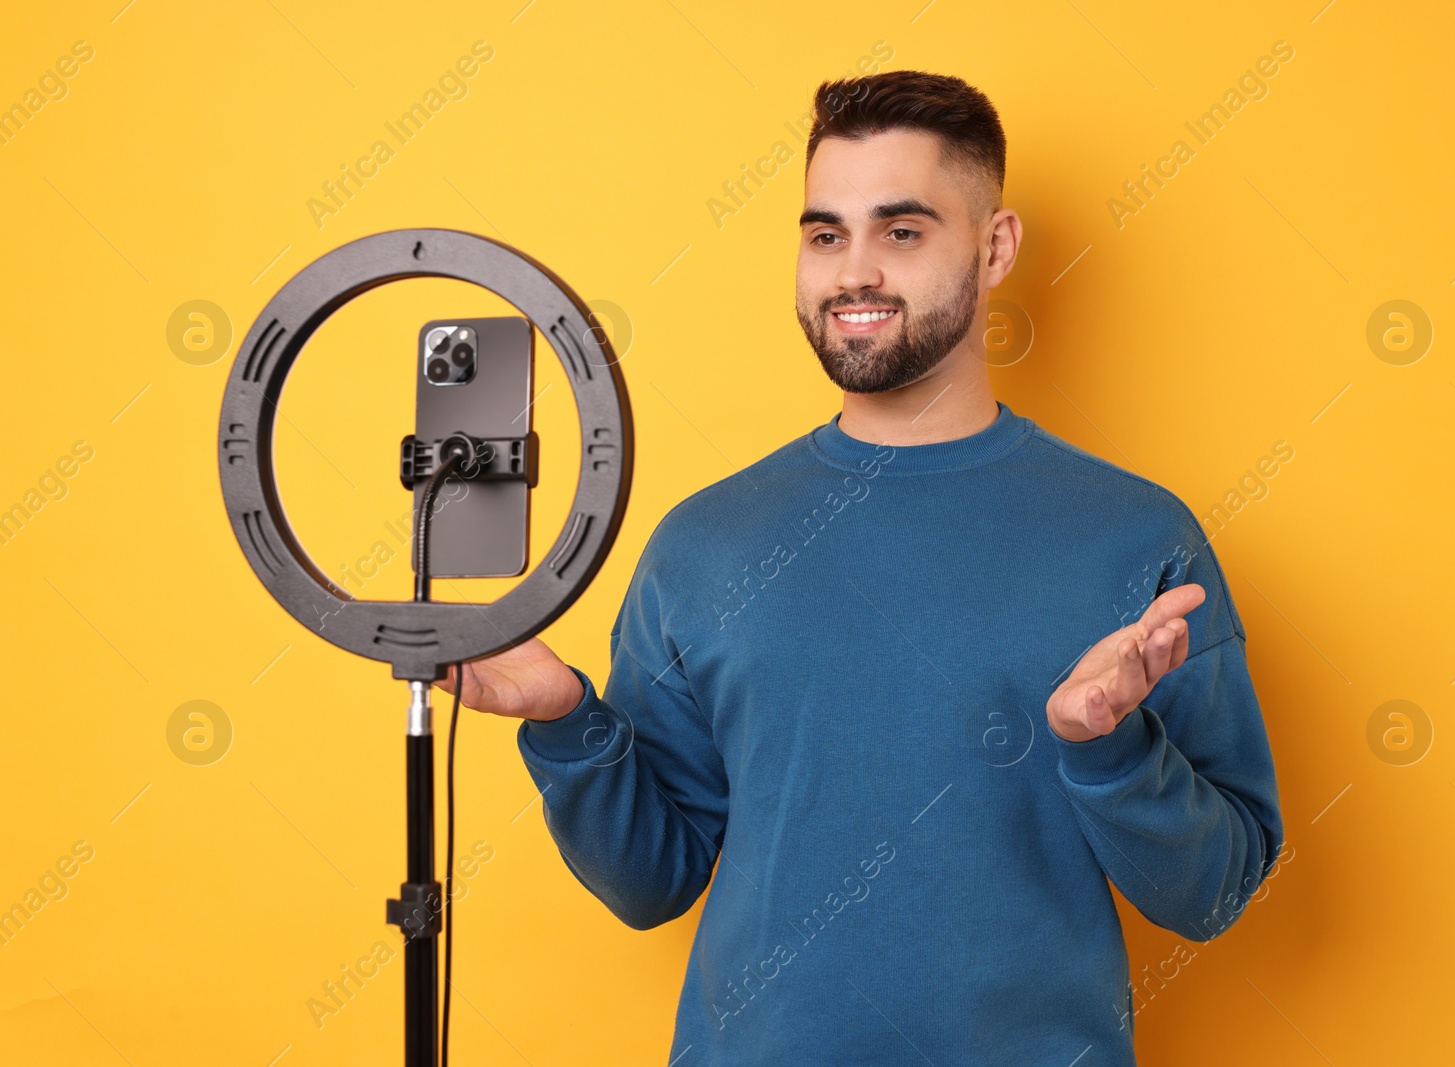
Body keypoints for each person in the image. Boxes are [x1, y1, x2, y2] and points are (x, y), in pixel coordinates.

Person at [437, 69, 1283, 1066]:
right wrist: (566, 722)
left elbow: (1215, 892)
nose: (853, 274)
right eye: (825, 234)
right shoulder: (705, 540)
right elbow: (650, 880)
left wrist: (1109, 748)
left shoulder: (1136, 537)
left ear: (995, 246)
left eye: (903, 230)